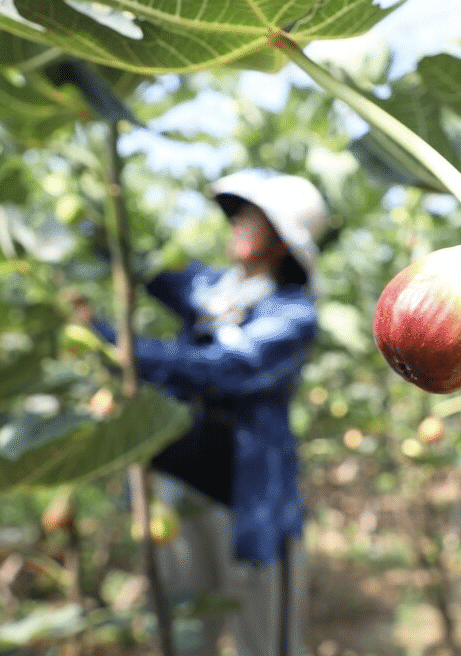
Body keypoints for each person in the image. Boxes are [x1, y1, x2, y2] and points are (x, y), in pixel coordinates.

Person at [90, 169, 329, 656]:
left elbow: (221, 369)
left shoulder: (292, 314)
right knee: (185, 628)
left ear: (283, 239)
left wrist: (114, 344)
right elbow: (148, 271)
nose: (238, 223)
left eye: (253, 217)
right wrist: (86, 231)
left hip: (246, 503)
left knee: (263, 640)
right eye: (237, 214)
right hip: (179, 487)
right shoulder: (215, 290)